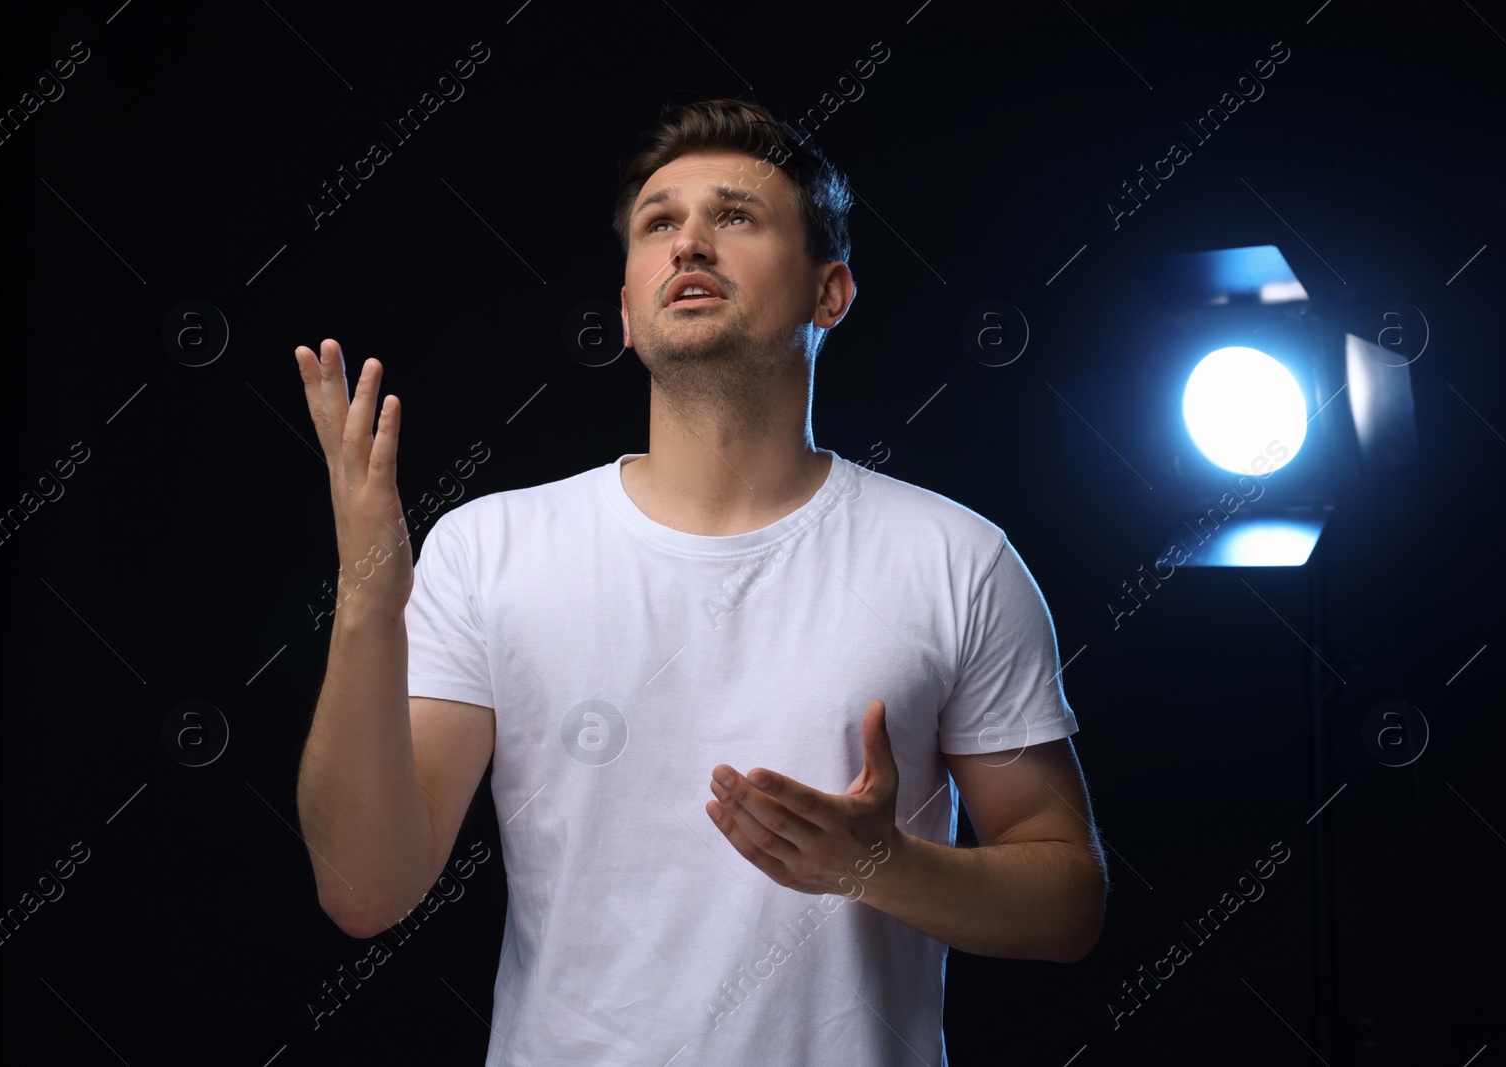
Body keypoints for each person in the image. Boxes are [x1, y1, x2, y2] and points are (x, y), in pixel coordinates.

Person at [294, 97, 1107, 1066]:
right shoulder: (489, 546)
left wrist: (877, 863)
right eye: (658, 222)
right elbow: (365, 889)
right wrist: (367, 604)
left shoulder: (955, 557)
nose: (688, 242)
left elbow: (1068, 901)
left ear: (829, 292)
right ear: (629, 311)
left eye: (734, 216)